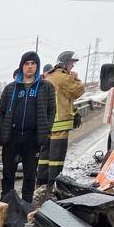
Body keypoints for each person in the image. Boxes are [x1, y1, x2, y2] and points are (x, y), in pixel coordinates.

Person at [0, 50, 55, 203]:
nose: (29, 67)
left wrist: (45, 130)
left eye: (33, 64)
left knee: (30, 175)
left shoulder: (45, 87)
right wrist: (2, 132)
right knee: (8, 173)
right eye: (26, 64)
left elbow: (51, 110)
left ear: (37, 66)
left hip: (32, 138)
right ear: (21, 66)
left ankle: (26, 205)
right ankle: (6, 205)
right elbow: (0, 111)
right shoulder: (11, 88)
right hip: (12, 137)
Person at [35, 50, 85, 192]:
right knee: (57, 157)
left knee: (45, 155)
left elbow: (62, 98)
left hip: (46, 124)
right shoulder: (63, 78)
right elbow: (79, 91)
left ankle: (41, 183)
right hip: (59, 124)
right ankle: (53, 185)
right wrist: (75, 78)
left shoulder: (48, 76)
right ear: (65, 64)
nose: (73, 67)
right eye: (71, 64)